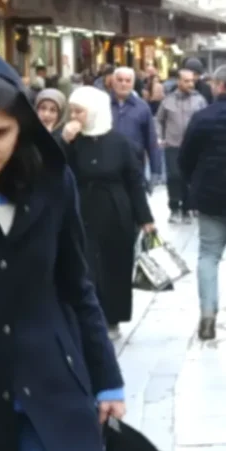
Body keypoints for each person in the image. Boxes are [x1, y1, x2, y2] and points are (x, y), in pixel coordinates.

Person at [0, 44, 125, 451]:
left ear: (21, 128)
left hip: (51, 384)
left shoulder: (52, 183)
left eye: (0, 133)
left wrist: (107, 378)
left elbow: (75, 283)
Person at [61, 85, 155, 341]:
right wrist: (64, 141)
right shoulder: (71, 140)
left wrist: (145, 218)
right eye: (71, 111)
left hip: (115, 211)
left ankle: (113, 317)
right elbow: (56, 169)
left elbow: (134, 181)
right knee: (86, 264)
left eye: (79, 111)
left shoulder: (120, 143)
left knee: (115, 265)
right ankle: (88, 315)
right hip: (82, 210)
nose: (74, 116)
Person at [179, 64, 226, 340]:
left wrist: (194, 183)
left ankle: (208, 314)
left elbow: (185, 158)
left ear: (219, 86)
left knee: (209, 255)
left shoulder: (202, 116)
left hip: (210, 197)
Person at [156, 68, 207, 224]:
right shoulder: (168, 100)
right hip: (173, 144)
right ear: (179, 81)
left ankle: (187, 208)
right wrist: (160, 137)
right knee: (173, 176)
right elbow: (159, 120)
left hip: (192, 146)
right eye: (186, 81)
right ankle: (174, 207)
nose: (190, 84)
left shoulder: (200, 100)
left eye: (192, 80)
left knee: (188, 177)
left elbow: (205, 120)